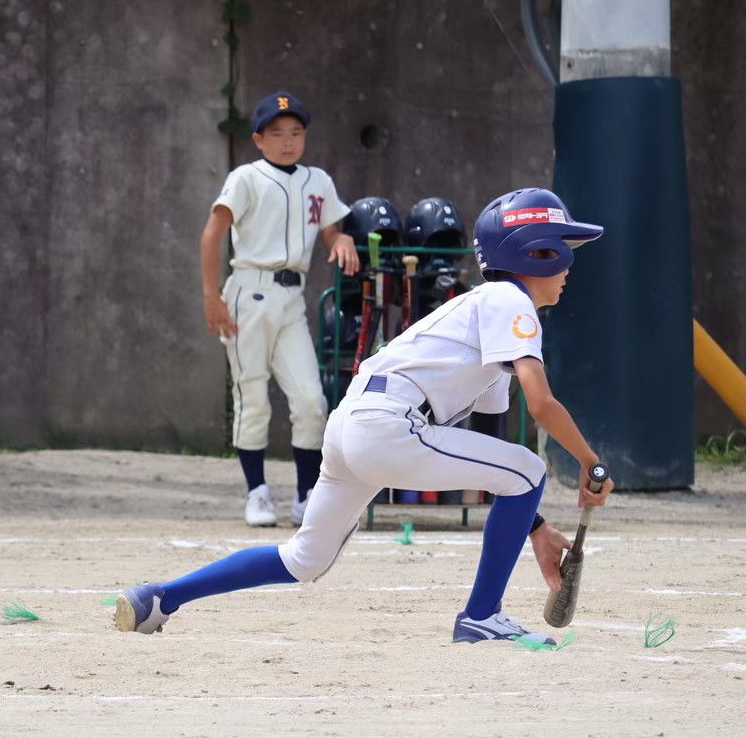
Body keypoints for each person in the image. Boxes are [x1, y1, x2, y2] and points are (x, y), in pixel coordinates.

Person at [118, 188, 614, 644]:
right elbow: (542, 406)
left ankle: (161, 596)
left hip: (353, 423)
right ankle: (481, 616)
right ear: (536, 252)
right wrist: (592, 465)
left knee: (302, 560)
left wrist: (535, 524)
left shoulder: (484, 310)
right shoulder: (511, 301)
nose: (569, 267)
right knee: (531, 467)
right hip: (391, 426)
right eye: (562, 249)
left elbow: (492, 440)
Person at [202, 92, 360, 528]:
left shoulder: (317, 180)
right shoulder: (246, 178)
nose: (288, 141)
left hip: (292, 297)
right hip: (247, 290)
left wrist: (341, 240)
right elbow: (213, 233)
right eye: (277, 133)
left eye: (296, 132)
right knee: (252, 398)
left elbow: (331, 231)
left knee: (311, 399)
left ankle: (306, 496)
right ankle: (257, 493)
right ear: (259, 139)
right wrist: (211, 294)